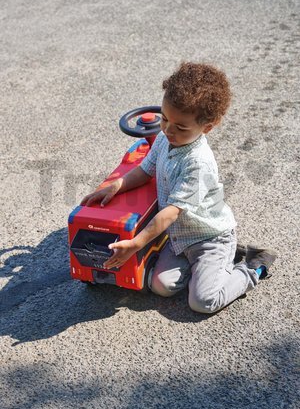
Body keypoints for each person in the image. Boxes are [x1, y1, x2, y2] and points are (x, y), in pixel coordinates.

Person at [81, 62, 277, 313]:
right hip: (179, 237)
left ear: (207, 127)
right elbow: (144, 171)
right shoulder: (164, 138)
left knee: (204, 301)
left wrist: (137, 243)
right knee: (161, 286)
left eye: (181, 127)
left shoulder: (198, 162)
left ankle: (252, 265)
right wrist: (117, 185)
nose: (168, 130)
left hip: (209, 238)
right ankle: (215, 266)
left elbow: (171, 212)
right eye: (164, 118)